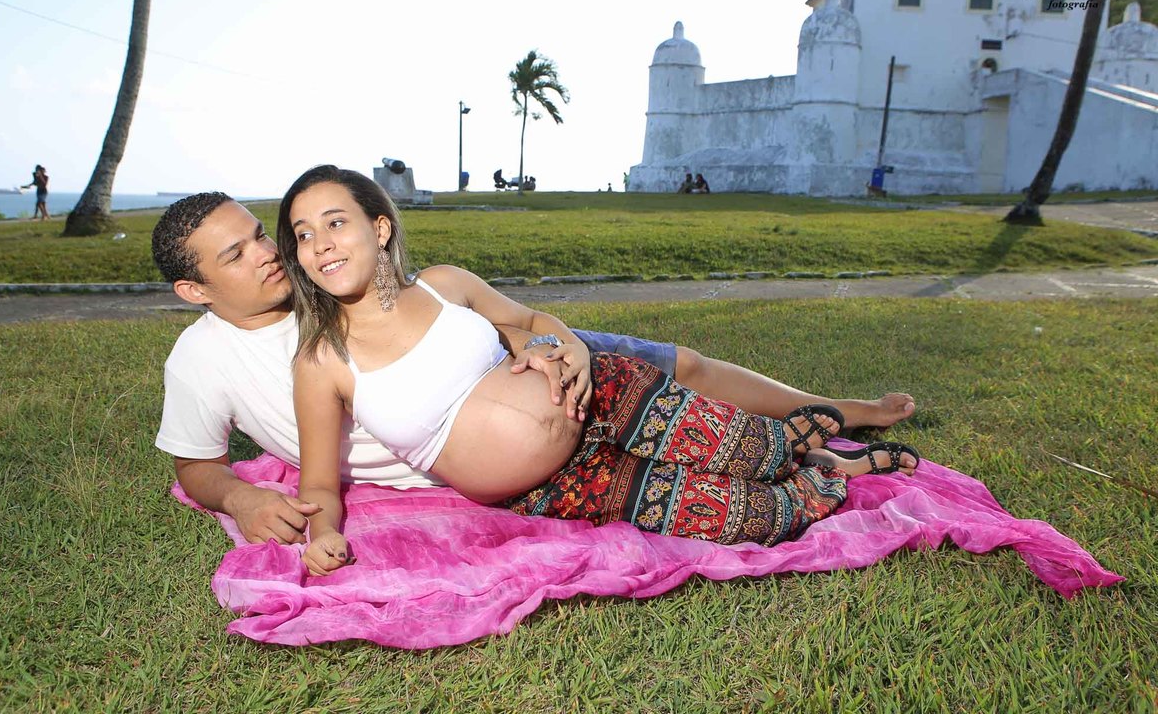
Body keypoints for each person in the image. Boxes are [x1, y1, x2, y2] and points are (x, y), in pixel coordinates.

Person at [151, 191, 916, 548]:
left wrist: (552, 345)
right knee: (729, 499)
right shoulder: (206, 362)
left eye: (262, 234)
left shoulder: (335, 275)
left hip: (516, 358)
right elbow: (195, 464)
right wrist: (242, 500)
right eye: (238, 254)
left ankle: (834, 410)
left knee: (687, 367)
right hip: (499, 457)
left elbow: (451, 305)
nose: (269, 254)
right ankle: (814, 464)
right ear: (194, 290)